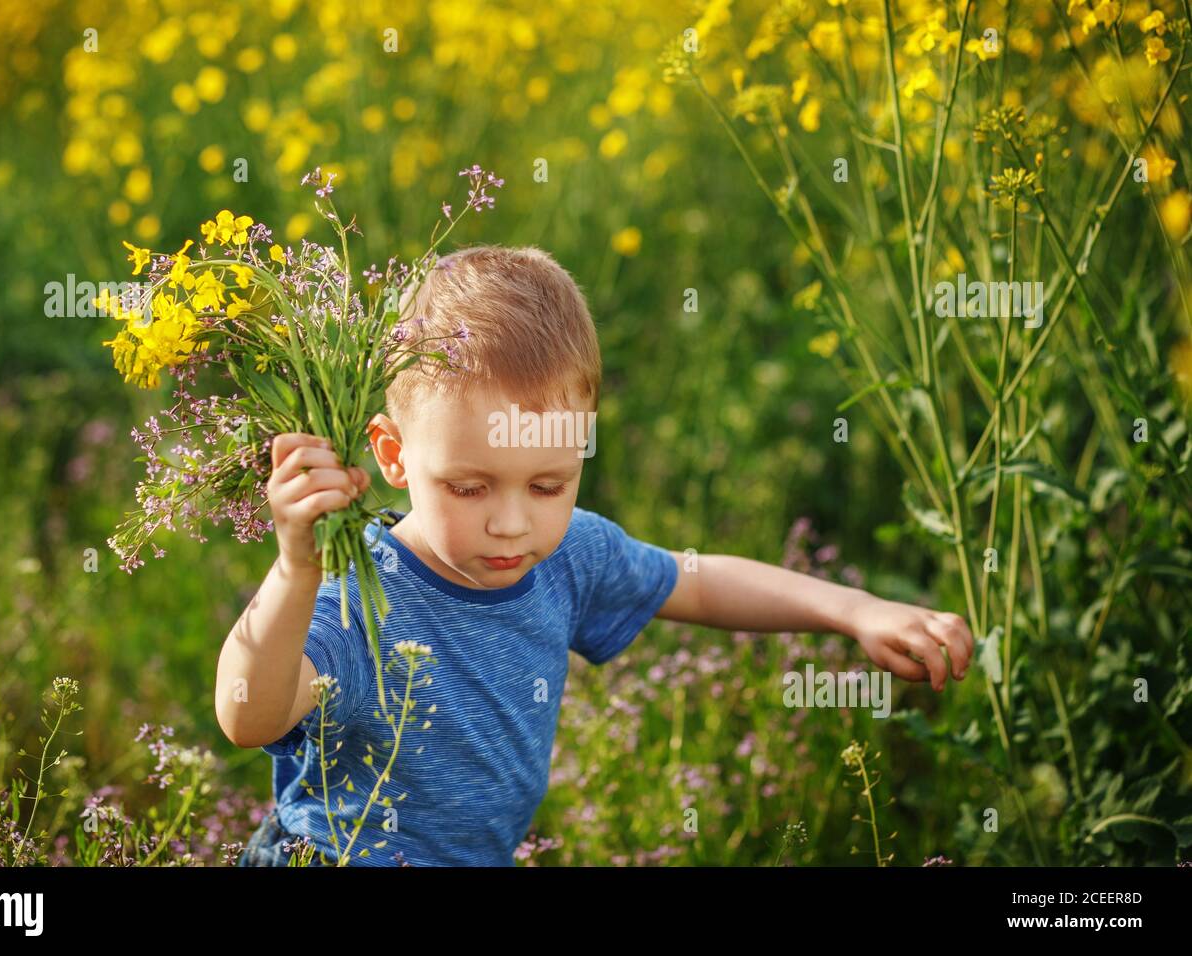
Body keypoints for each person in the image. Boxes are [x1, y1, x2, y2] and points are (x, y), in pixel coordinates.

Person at [216, 244, 973, 866]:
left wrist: (855, 610)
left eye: (549, 483)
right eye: (470, 488)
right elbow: (248, 717)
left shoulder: (570, 553)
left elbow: (697, 583)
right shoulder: (364, 594)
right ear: (393, 453)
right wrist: (295, 570)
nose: (512, 526)